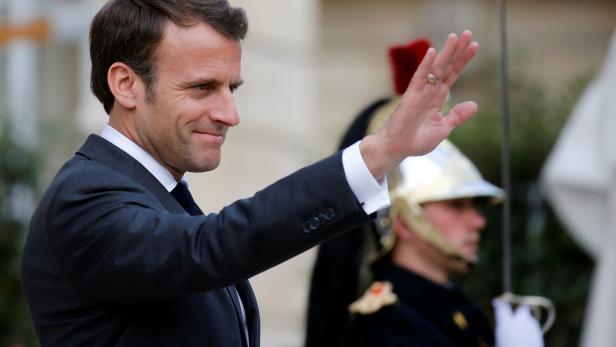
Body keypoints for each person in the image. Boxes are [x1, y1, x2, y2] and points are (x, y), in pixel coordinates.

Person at [20, 1, 480, 346]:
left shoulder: (155, 193)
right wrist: (377, 153)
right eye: (203, 87)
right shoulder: (84, 198)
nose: (229, 113)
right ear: (126, 84)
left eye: (231, 88)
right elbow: (211, 247)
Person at [306, 38, 501, 347]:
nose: (477, 222)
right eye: (456, 206)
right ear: (403, 220)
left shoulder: (461, 311)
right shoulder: (384, 325)